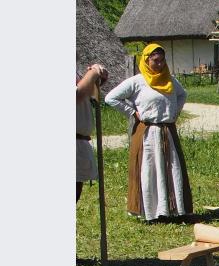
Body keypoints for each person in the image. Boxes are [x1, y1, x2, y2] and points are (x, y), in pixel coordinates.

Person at [105, 44, 193, 221]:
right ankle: (152, 212)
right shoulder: (137, 82)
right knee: (149, 170)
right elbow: (111, 98)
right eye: (155, 61)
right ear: (146, 61)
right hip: (148, 133)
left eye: (162, 60)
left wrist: (175, 112)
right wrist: (132, 112)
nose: (159, 64)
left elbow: (182, 94)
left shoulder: (170, 80)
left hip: (167, 132)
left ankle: (172, 209)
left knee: (171, 169)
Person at [76, 63, 108, 202]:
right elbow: (77, 95)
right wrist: (93, 73)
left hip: (80, 141)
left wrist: (96, 81)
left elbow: (87, 96)